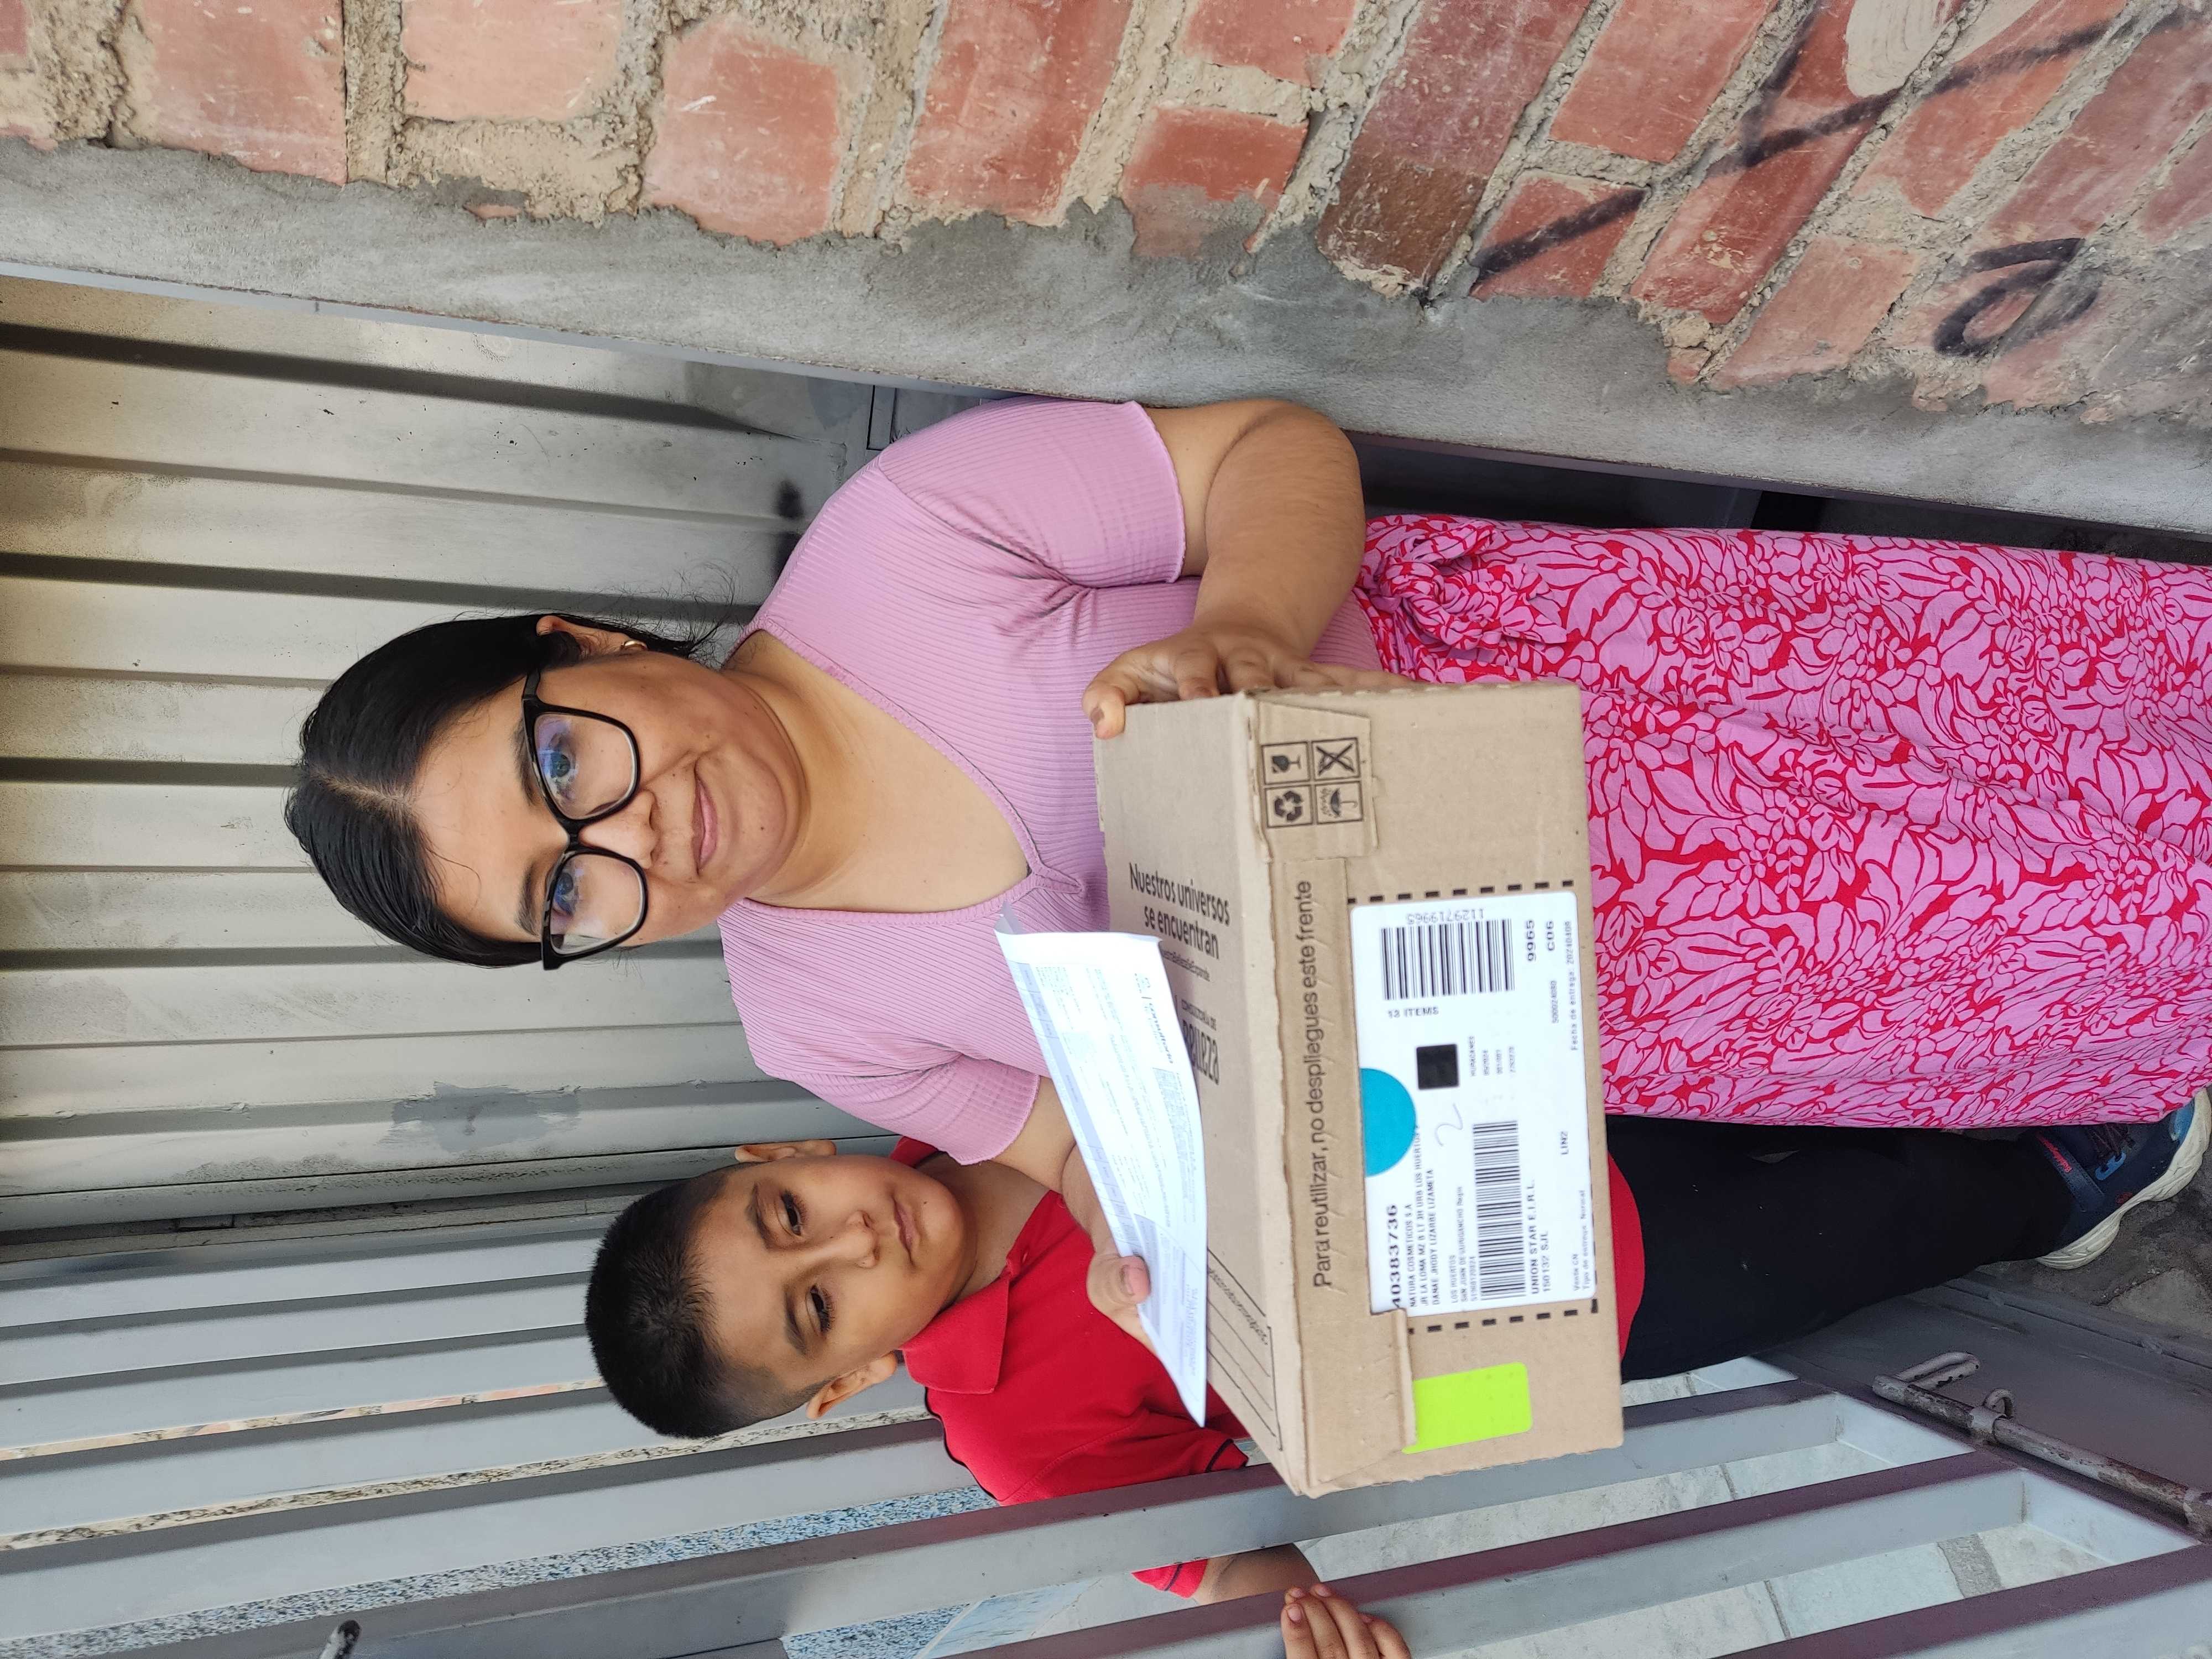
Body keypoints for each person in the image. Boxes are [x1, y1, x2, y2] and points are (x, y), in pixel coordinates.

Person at [288, 394, 2212, 1324]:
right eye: (564, 892)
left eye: (564, 760)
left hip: (1621, 708)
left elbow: (1270, 453)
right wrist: (1144, 1249)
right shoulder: (815, 1022)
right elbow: (1088, 1130)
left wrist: (1252, 629)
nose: (631, 834)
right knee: (2097, 959)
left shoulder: (900, 541)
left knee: (2120, 777)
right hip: (1608, 978)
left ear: (576, 641)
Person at [581, 1103, 2198, 1623]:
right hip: (1558, 1308)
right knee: (1869, 1223)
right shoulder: (1020, 1443)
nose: (849, 1243)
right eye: (817, 1310)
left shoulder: (979, 1083)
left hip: (1514, 1099)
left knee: (1805, 1103)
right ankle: (2066, 1183)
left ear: (780, 1154)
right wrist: (1291, 1617)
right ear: (847, 1383)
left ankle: (2028, 1066)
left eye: (788, 1216)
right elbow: (1220, 1550)